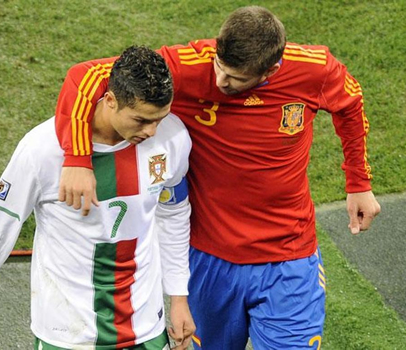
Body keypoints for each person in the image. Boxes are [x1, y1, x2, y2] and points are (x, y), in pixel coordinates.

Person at [54, 6, 381, 350]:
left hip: (289, 259)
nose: (220, 82)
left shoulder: (314, 69)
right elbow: (85, 75)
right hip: (210, 262)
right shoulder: (189, 64)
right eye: (219, 68)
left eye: (235, 79)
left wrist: (359, 183)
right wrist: (76, 159)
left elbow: (351, 104)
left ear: (270, 70)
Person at [0, 46, 196, 350]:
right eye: (141, 120)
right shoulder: (43, 149)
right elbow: (1, 223)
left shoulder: (173, 137)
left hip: (146, 329)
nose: (152, 131)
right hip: (67, 334)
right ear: (110, 100)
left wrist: (179, 296)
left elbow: (174, 213)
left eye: (160, 118)